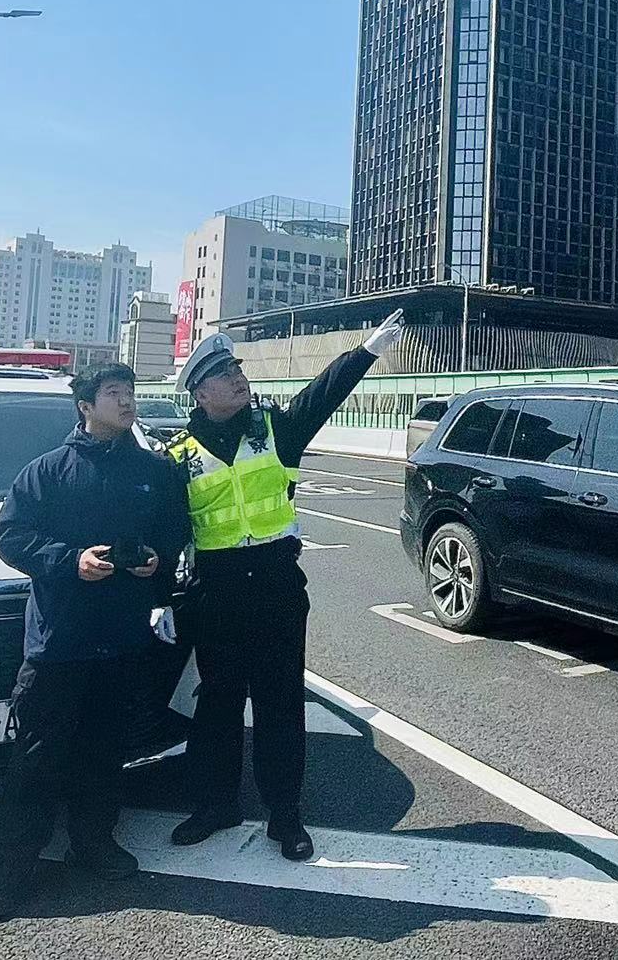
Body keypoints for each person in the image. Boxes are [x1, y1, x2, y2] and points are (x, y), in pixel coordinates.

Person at [158, 311, 404, 860]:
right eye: (224, 374)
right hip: (216, 592)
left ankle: (285, 817)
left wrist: (366, 351)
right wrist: (161, 601)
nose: (238, 378)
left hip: (275, 585)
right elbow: (168, 533)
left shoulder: (275, 430)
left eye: (237, 370)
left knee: (280, 704)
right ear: (200, 393)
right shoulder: (177, 456)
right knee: (217, 704)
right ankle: (215, 805)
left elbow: (323, 395)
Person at [0, 362, 191, 923]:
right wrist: (70, 561)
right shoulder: (47, 471)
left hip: (122, 638)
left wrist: (156, 560)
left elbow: (175, 530)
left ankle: (93, 844)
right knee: (36, 757)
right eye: (114, 393)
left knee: (105, 751)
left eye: (130, 392)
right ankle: (14, 869)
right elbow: (10, 535)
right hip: (60, 641)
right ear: (86, 406)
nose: (127, 401)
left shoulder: (154, 471)